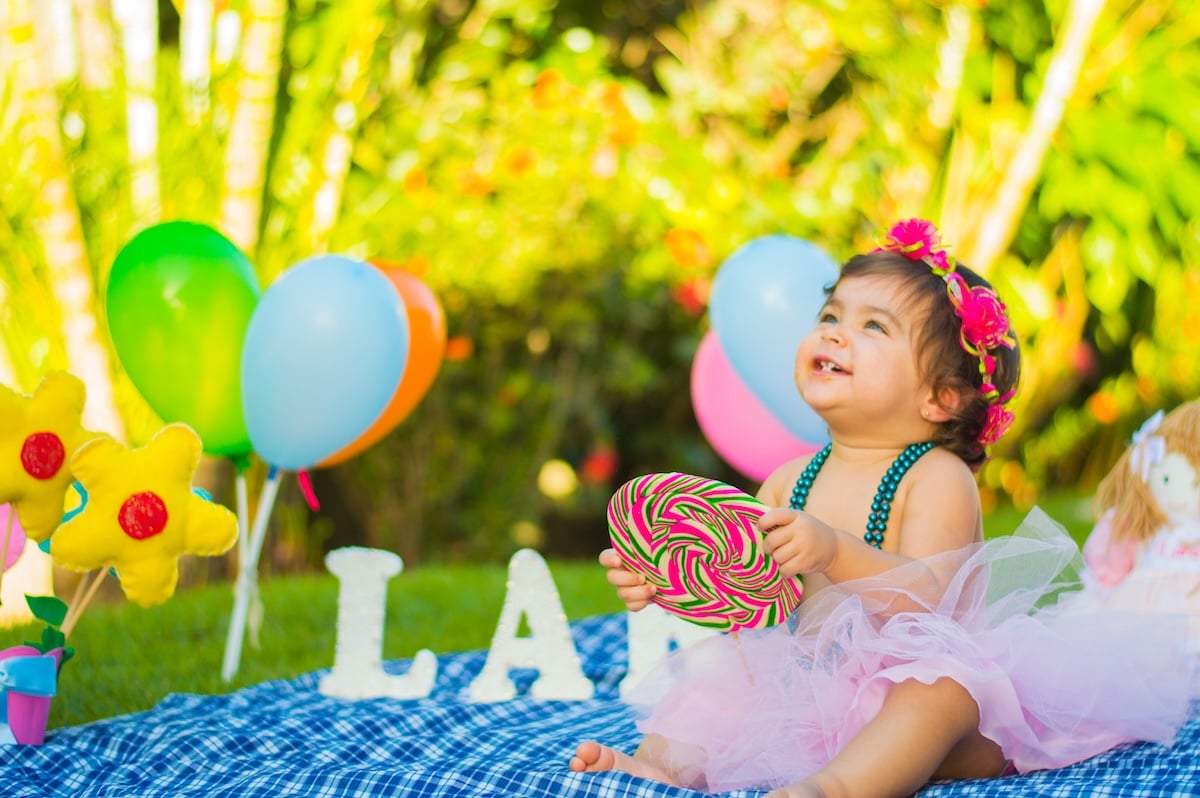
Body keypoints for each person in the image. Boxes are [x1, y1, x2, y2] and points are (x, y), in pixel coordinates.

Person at [568, 219, 1192, 797]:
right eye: (830, 313)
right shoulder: (788, 481)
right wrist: (666, 579)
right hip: (810, 695)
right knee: (720, 681)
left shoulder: (934, 478)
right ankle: (657, 766)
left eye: (873, 326)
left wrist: (834, 550)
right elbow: (747, 596)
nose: (835, 331)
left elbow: (928, 599)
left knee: (936, 694)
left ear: (940, 398)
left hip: (925, 699)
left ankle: (835, 788)